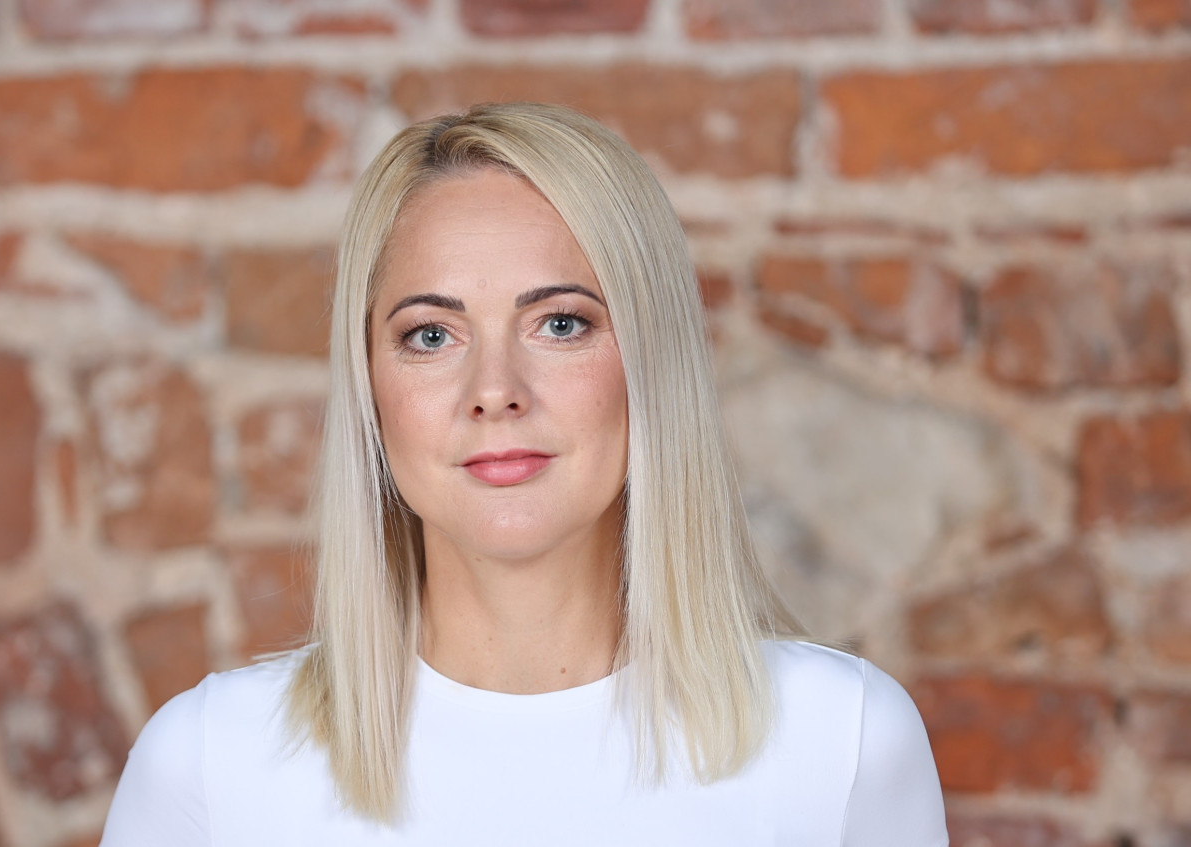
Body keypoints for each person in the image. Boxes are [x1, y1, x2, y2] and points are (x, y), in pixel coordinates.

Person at [100, 102, 949, 846]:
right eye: (431, 335)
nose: (495, 390)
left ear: (652, 363)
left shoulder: (841, 745)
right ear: (370, 389)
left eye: (560, 323)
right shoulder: (213, 766)